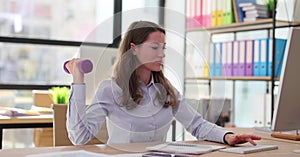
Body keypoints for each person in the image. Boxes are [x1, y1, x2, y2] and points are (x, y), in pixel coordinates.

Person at [65, 21, 261, 146]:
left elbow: (197, 124)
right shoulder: (110, 89)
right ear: (134, 49)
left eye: (163, 48)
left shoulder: (166, 90)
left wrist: (227, 136)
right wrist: (78, 81)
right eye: (154, 47)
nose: (162, 54)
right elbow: (79, 137)